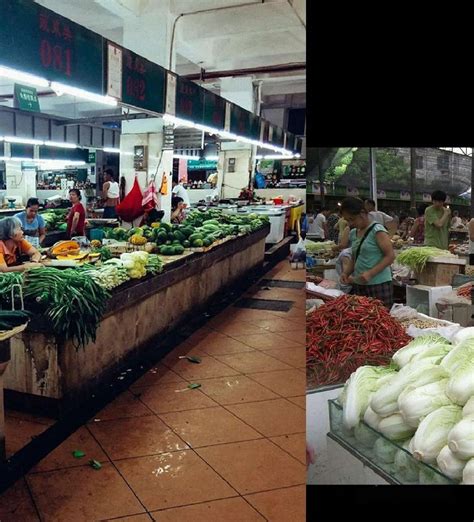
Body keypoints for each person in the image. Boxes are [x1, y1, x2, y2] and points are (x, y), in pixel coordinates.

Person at [340, 197, 395, 308]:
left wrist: (370, 273)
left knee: (380, 319)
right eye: (348, 220)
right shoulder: (353, 233)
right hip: (360, 284)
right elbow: (355, 257)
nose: (350, 223)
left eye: (352, 219)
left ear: (362, 213)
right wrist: (346, 273)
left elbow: (390, 256)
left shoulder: (377, 230)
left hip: (379, 284)